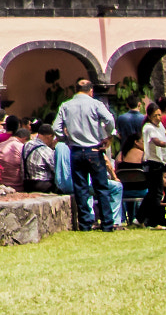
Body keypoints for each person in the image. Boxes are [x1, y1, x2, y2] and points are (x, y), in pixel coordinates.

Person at [52, 78, 117, 232]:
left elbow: (56, 127)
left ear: (76, 89)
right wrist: (108, 136)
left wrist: (66, 138)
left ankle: (85, 224)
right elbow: (109, 119)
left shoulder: (66, 105)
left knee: (81, 189)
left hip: (75, 150)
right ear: (91, 90)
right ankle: (107, 224)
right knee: (101, 187)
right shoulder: (95, 104)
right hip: (93, 150)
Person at [141, 98, 166, 226]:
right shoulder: (148, 128)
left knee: (154, 192)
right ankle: (154, 220)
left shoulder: (160, 126)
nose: (158, 118)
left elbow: (165, 147)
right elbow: (157, 141)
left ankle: (140, 217)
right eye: (155, 115)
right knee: (156, 193)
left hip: (161, 161)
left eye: (159, 115)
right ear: (149, 116)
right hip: (152, 162)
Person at [0, 121, 29, 187]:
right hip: (16, 185)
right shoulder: (21, 147)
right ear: (25, 139)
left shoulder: (0, 145)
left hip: (0, 183)